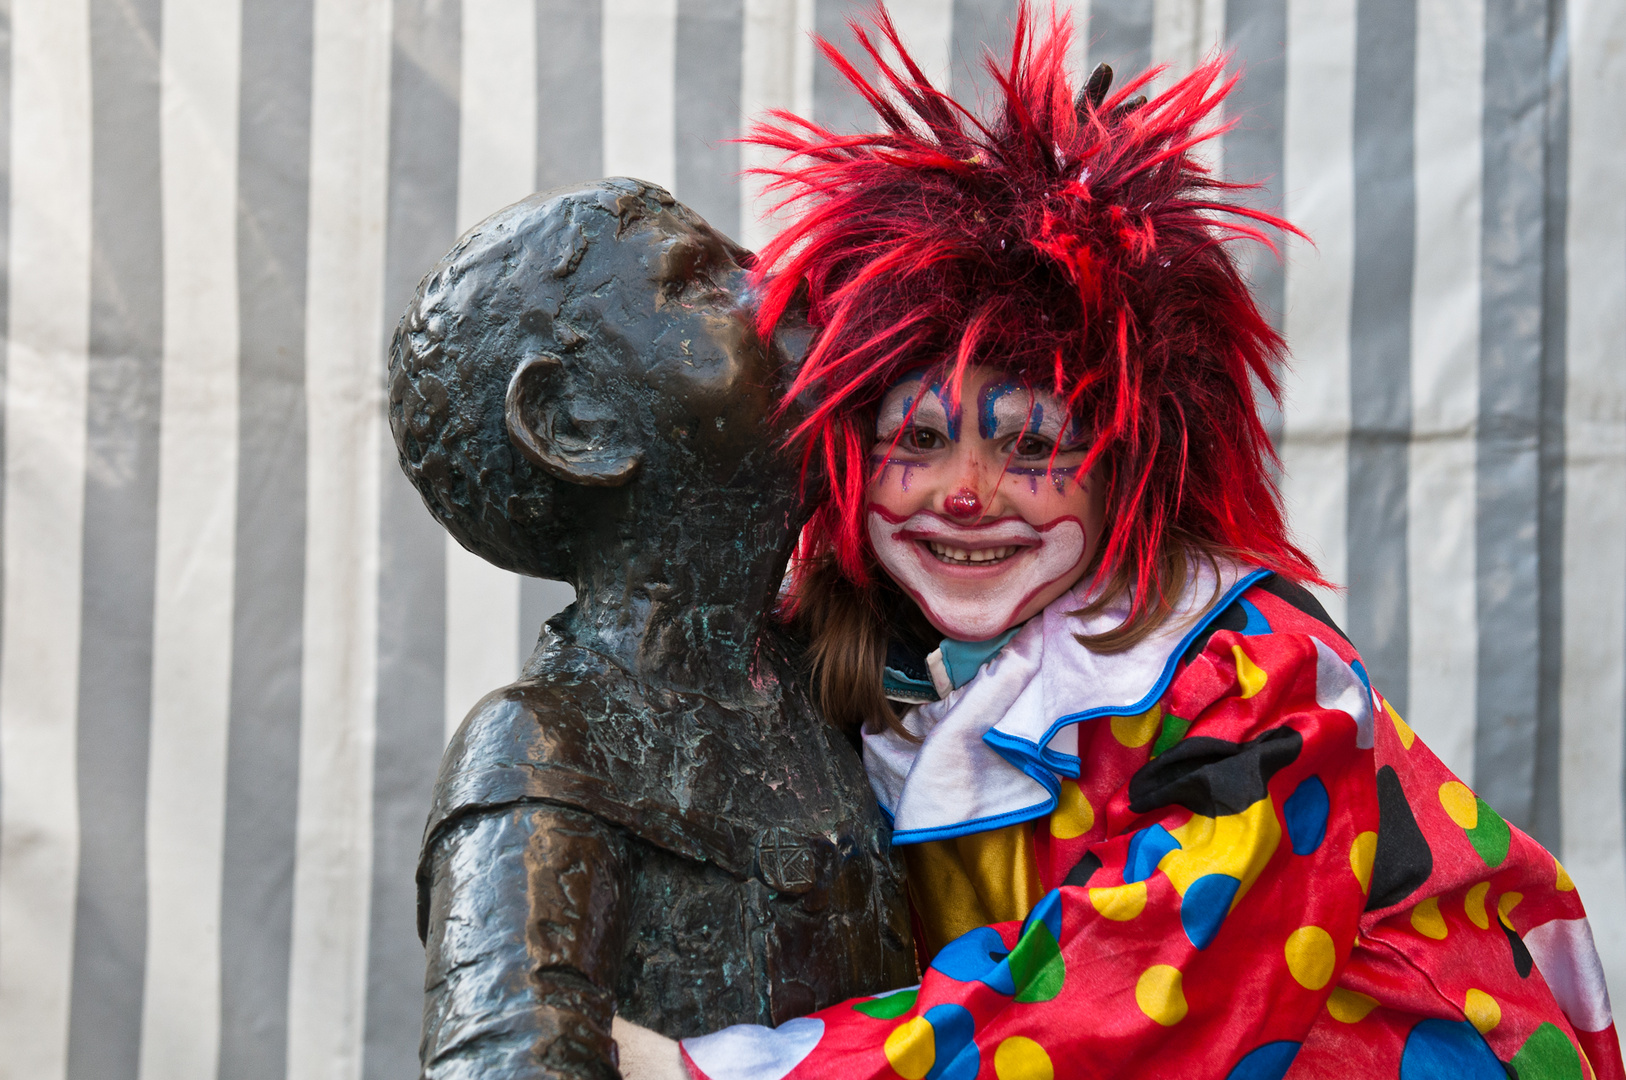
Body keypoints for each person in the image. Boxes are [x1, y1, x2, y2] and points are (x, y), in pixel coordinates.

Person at [615, 5, 1624, 1079]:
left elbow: (1144, 992)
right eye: (916, 437)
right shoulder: (859, 664)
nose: (966, 495)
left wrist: (723, 1073)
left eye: (1033, 443)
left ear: (1128, 472)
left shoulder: (1252, 679)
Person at [392, 178, 914, 1080]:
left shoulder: (834, 666)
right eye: (703, 283)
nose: (783, 286)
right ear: (574, 423)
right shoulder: (543, 742)